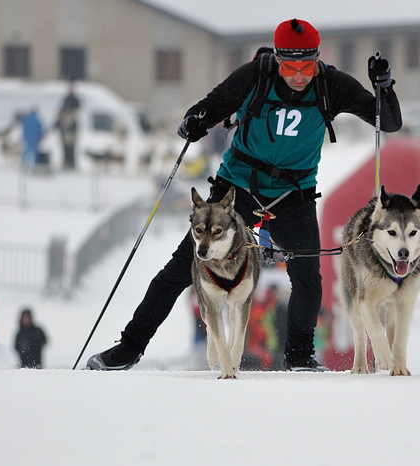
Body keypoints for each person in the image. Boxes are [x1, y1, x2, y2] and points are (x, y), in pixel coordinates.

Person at [86, 18, 402, 372]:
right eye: (290, 67)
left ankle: (299, 358)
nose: (299, 76)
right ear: (278, 60)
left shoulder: (331, 85)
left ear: (317, 59)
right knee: (180, 269)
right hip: (237, 192)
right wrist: (195, 121)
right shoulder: (256, 75)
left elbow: (386, 122)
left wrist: (384, 87)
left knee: (308, 280)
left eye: (307, 67)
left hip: (292, 195)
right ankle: (129, 348)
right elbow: (213, 105)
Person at [56, 81, 81, 170]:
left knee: (71, 148)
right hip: (66, 131)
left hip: (71, 131)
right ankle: (66, 162)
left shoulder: (75, 100)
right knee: (65, 148)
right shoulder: (66, 99)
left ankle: (71, 163)